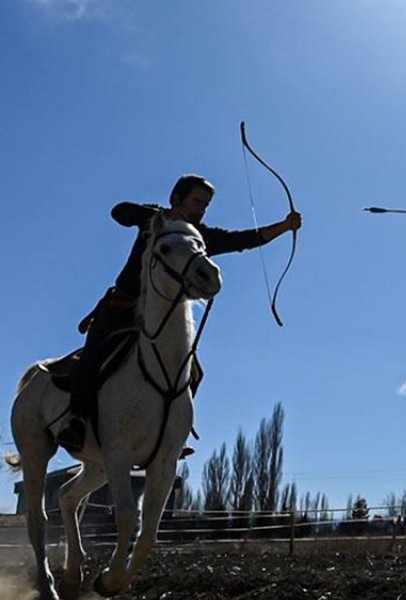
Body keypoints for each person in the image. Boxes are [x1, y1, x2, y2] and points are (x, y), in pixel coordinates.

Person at [58, 174, 302, 452]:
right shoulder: (155, 219)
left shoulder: (198, 237)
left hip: (159, 318)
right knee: (92, 357)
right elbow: (119, 212)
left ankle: (174, 433)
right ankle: (75, 420)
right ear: (177, 198)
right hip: (121, 307)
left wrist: (284, 226)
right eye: (197, 201)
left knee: (193, 372)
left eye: (205, 205)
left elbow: (242, 240)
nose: (201, 208)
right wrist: (158, 215)